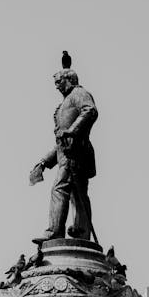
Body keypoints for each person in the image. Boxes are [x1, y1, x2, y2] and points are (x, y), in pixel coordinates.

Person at [30, 64, 98, 242]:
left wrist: (72, 131)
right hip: (67, 154)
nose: (57, 86)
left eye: (59, 81)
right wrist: (44, 162)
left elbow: (90, 110)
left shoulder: (78, 94)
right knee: (79, 195)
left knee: (60, 189)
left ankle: (54, 231)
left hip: (75, 154)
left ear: (70, 80)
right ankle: (82, 233)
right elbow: (60, 142)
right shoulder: (65, 103)